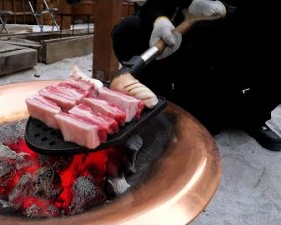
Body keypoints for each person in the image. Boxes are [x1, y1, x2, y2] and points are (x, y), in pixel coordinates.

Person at [111, 0, 281, 151]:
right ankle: (158, 103)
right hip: (185, 56)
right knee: (128, 28)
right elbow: (156, 4)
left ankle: (251, 117)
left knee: (206, 125)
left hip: (231, 60)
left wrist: (227, 11)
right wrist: (159, 20)